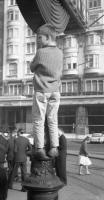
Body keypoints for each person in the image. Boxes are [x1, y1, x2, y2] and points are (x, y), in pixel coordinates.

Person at [30, 23, 63, 159]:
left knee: (38, 120)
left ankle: (40, 148)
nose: (37, 40)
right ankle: (54, 148)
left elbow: (32, 67)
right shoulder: (60, 53)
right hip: (55, 91)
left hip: (41, 91)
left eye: (39, 37)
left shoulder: (41, 52)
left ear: (48, 37)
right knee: (52, 120)